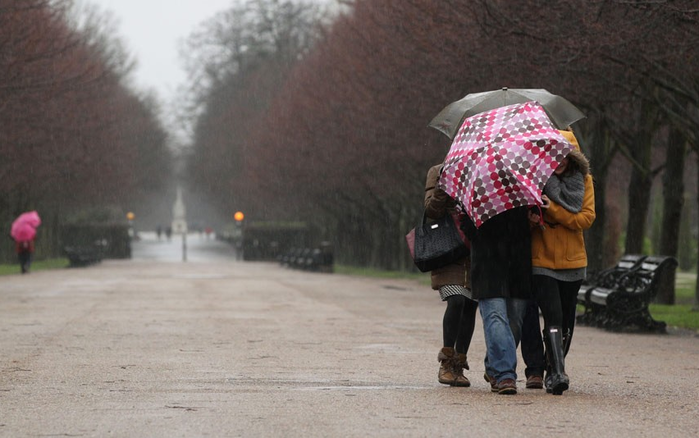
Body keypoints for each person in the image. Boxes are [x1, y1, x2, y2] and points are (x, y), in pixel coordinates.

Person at [527, 129, 596, 395]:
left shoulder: (584, 181)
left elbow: (585, 219)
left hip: (573, 262)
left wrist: (553, 210)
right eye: (553, 155)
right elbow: (527, 215)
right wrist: (533, 220)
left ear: (573, 157)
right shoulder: (535, 180)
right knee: (553, 315)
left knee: (567, 321)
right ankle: (557, 374)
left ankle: (552, 364)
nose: (559, 161)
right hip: (542, 259)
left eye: (564, 155)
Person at [462, 205, 532, 395]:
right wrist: (480, 229)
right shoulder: (477, 188)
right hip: (487, 262)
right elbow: (466, 225)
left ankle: (494, 364)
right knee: (495, 317)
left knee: (515, 321)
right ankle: (505, 374)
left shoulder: (522, 186)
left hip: (518, 262)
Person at [424, 164, 479, 386]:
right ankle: (446, 362)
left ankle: (459, 363)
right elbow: (430, 210)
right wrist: (444, 188)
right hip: (448, 251)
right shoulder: (438, 171)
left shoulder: (485, 170)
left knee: (470, 306)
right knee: (457, 301)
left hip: (476, 252)